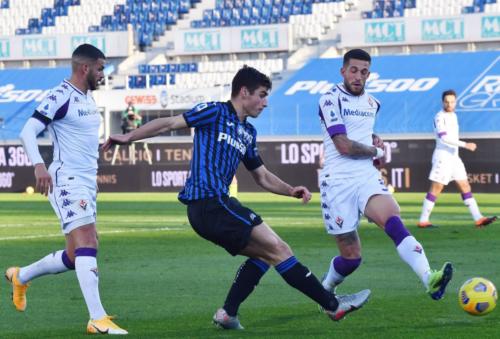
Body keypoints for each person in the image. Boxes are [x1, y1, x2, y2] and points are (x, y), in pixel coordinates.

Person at [103, 66, 371, 330]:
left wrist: (290, 189)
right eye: (262, 95)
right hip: (208, 203)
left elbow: (262, 176)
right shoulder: (214, 111)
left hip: (216, 208)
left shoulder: (248, 133)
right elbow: (170, 122)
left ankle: (228, 314)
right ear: (244, 92)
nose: (265, 103)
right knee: (280, 249)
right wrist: (129, 137)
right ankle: (333, 306)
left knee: (268, 255)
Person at [6, 44, 127, 335]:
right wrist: (38, 166)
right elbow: (27, 131)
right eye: (100, 68)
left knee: (75, 255)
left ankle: (21, 276)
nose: (102, 74)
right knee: (89, 242)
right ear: (85, 68)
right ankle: (97, 318)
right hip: (67, 180)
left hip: (84, 180)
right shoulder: (61, 95)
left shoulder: (85, 98)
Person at [317, 49, 453, 302]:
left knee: (391, 217)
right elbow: (344, 145)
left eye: (364, 71)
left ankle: (429, 278)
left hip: (365, 175)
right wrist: (376, 149)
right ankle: (325, 289)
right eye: (354, 70)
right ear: (343, 71)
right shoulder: (329, 99)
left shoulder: (373, 103)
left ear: (369, 74)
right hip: (337, 181)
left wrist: (372, 138)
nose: (358, 76)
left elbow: (361, 133)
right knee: (352, 258)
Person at [417, 90, 497, 228]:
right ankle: (423, 220)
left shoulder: (453, 116)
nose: (449, 104)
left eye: (452, 101)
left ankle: (478, 218)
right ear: (443, 102)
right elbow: (444, 138)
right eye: (447, 101)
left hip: (454, 157)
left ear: (456, 102)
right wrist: (465, 144)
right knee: (436, 188)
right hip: (443, 157)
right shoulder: (439, 117)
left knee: (465, 186)